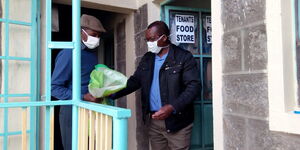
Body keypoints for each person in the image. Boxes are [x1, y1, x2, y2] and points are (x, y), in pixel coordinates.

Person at [111, 21, 201, 150]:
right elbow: (135, 81)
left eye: (152, 39)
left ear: (164, 38)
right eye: (147, 40)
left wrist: (172, 107)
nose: (149, 43)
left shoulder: (183, 57)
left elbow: (194, 87)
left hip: (178, 122)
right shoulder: (148, 58)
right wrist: (111, 93)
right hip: (154, 122)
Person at [51, 14, 106, 150]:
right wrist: (82, 96)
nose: (97, 39)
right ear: (81, 32)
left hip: (91, 110)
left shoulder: (92, 56)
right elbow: (54, 87)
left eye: (99, 36)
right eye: (94, 34)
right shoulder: (68, 54)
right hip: (72, 111)